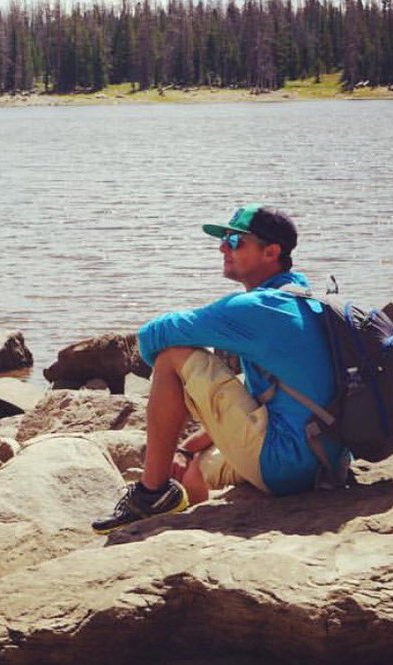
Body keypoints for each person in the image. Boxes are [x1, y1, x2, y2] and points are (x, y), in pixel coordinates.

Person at [92, 203, 349, 534]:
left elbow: (150, 336)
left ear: (271, 252)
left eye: (235, 241)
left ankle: (151, 494)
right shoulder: (306, 298)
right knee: (196, 466)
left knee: (172, 356)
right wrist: (186, 447)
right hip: (327, 459)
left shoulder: (257, 308)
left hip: (286, 466)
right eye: (224, 239)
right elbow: (269, 399)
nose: (222, 248)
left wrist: (175, 377)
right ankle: (184, 518)